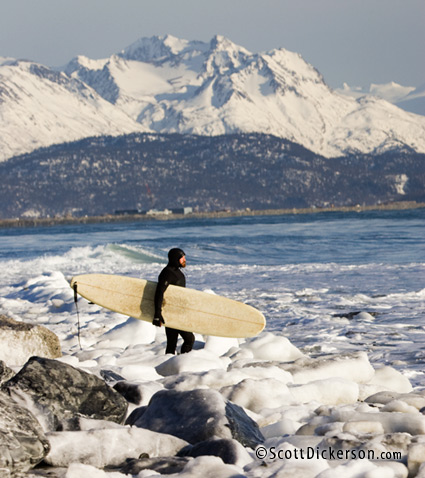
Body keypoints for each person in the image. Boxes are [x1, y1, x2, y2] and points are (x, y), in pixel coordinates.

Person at [153, 248, 195, 354]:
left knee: (172, 344)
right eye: (182, 258)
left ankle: (169, 366)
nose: (185, 260)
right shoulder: (167, 273)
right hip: (171, 313)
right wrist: (158, 314)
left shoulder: (177, 272)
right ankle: (183, 363)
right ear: (176, 259)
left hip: (178, 312)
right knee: (189, 339)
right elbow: (159, 293)